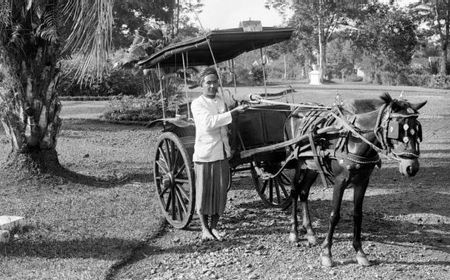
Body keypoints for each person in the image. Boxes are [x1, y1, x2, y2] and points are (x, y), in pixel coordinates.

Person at [191, 67, 248, 241]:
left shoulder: (221, 101)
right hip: (205, 153)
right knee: (204, 191)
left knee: (220, 190)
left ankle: (214, 227)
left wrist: (239, 106)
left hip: (221, 152)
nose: (212, 85)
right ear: (202, 84)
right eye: (208, 82)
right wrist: (232, 114)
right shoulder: (197, 103)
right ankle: (204, 228)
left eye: (215, 82)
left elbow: (226, 123)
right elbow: (208, 123)